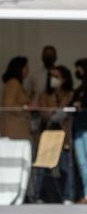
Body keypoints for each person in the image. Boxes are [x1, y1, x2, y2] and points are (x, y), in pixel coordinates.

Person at [38, 65, 75, 203]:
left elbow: (66, 111)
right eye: (51, 76)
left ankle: (68, 196)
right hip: (47, 135)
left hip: (64, 136)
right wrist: (53, 111)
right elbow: (43, 113)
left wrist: (54, 111)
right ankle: (39, 195)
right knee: (43, 168)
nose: (53, 79)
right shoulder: (44, 94)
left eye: (56, 76)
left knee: (66, 167)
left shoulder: (69, 94)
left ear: (64, 79)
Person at [0, 56, 34, 142]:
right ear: (19, 68)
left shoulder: (17, 84)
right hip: (14, 131)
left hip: (18, 130)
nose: (28, 70)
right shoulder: (13, 83)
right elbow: (9, 105)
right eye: (26, 67)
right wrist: (26, 107)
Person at [73, 58, 87, 203]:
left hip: (85, 129)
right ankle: (85, 193)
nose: (77, 72)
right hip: (78, 128)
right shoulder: (79, 89)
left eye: (79, 69)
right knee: (82, 163)